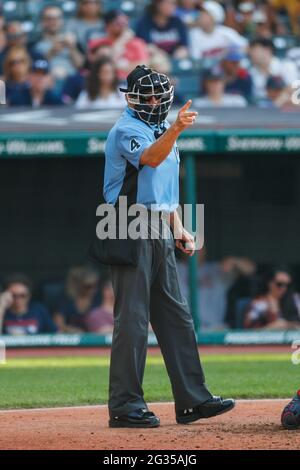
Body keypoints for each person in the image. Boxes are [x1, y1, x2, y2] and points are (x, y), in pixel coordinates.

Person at [101, 64, 234, 428]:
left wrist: (180, 227)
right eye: (148, 95)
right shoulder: (128, 128)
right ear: (132, 98)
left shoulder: (161, 129)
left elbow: (164, 189)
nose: (155, 100)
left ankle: (193, 399)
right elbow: (151, 159)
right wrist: (176, 127)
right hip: (126, 223)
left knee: (176, 314)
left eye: (159, 94)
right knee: (132, 319)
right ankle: (125, 405)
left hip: (158, 224)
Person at [177, 248, 256, 330]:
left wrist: (234, 261)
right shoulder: (175, 269)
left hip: (214, 328)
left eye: (199, 247)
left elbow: (250, 269)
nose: (196, 251)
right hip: (184, 328)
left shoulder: (216, 269)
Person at [89, 10, 149, 81]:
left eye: (125, 21)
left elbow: (143, 67)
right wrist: (122, 40)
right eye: (118, 23)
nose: (123, 25)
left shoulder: (138, 43)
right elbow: (100, 65)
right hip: (104, 82)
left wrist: (117, 65)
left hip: (133, 82)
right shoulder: (96, 42)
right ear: (107, 25)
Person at [33, 5, 84, 81]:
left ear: (62, 20)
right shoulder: (36, 44)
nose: (53, 21)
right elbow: (36, 69)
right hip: (48, 83)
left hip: (72, 82)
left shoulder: (70, 39)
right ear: (42, 21)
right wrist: (52, 52)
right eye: (49, 19)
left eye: (57, 18)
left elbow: (80, 65)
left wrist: (72, 48)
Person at [54, 265, 101, 333]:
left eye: (95, 285)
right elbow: (58, 322)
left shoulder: (98, 298)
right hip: (71, 338)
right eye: (88, 286)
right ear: (79, 285)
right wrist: (70, 329)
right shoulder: (67, 299)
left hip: (93, 337)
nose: (93, 289)